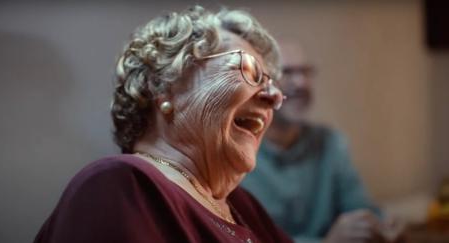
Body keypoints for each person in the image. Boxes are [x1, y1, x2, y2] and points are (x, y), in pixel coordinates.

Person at [33, 6, 293, 243]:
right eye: (249, 71)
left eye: (271, 85)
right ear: (166, 85)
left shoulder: (245, 207)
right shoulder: (121, 186)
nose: (274, 97)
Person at [241, 41, 389, 243]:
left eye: (306, 72)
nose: (301, 83)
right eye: (287, 72)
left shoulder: (331, 143)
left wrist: (381, 227)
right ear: (259, 85)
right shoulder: (239, 155)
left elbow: (359, 208)